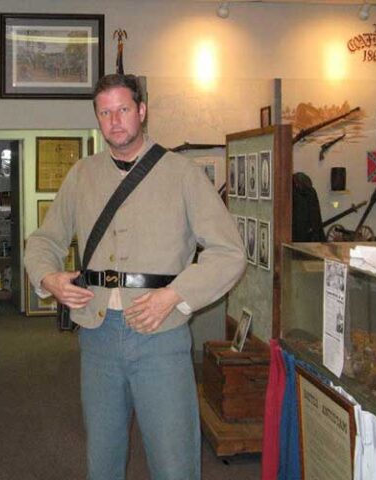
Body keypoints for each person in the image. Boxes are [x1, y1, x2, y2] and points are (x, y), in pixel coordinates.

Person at [24, 73, 246, 480]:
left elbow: (229, 253)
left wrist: (175, 295)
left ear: (142, 111)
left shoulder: (182, 174)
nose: (115, 120)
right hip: (98, 335)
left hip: (160, 333)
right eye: (105, 112)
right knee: (102, 459)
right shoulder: (83, 175)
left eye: (123, 109)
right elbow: (43, 241)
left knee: (174, 460)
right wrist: (48, 278)